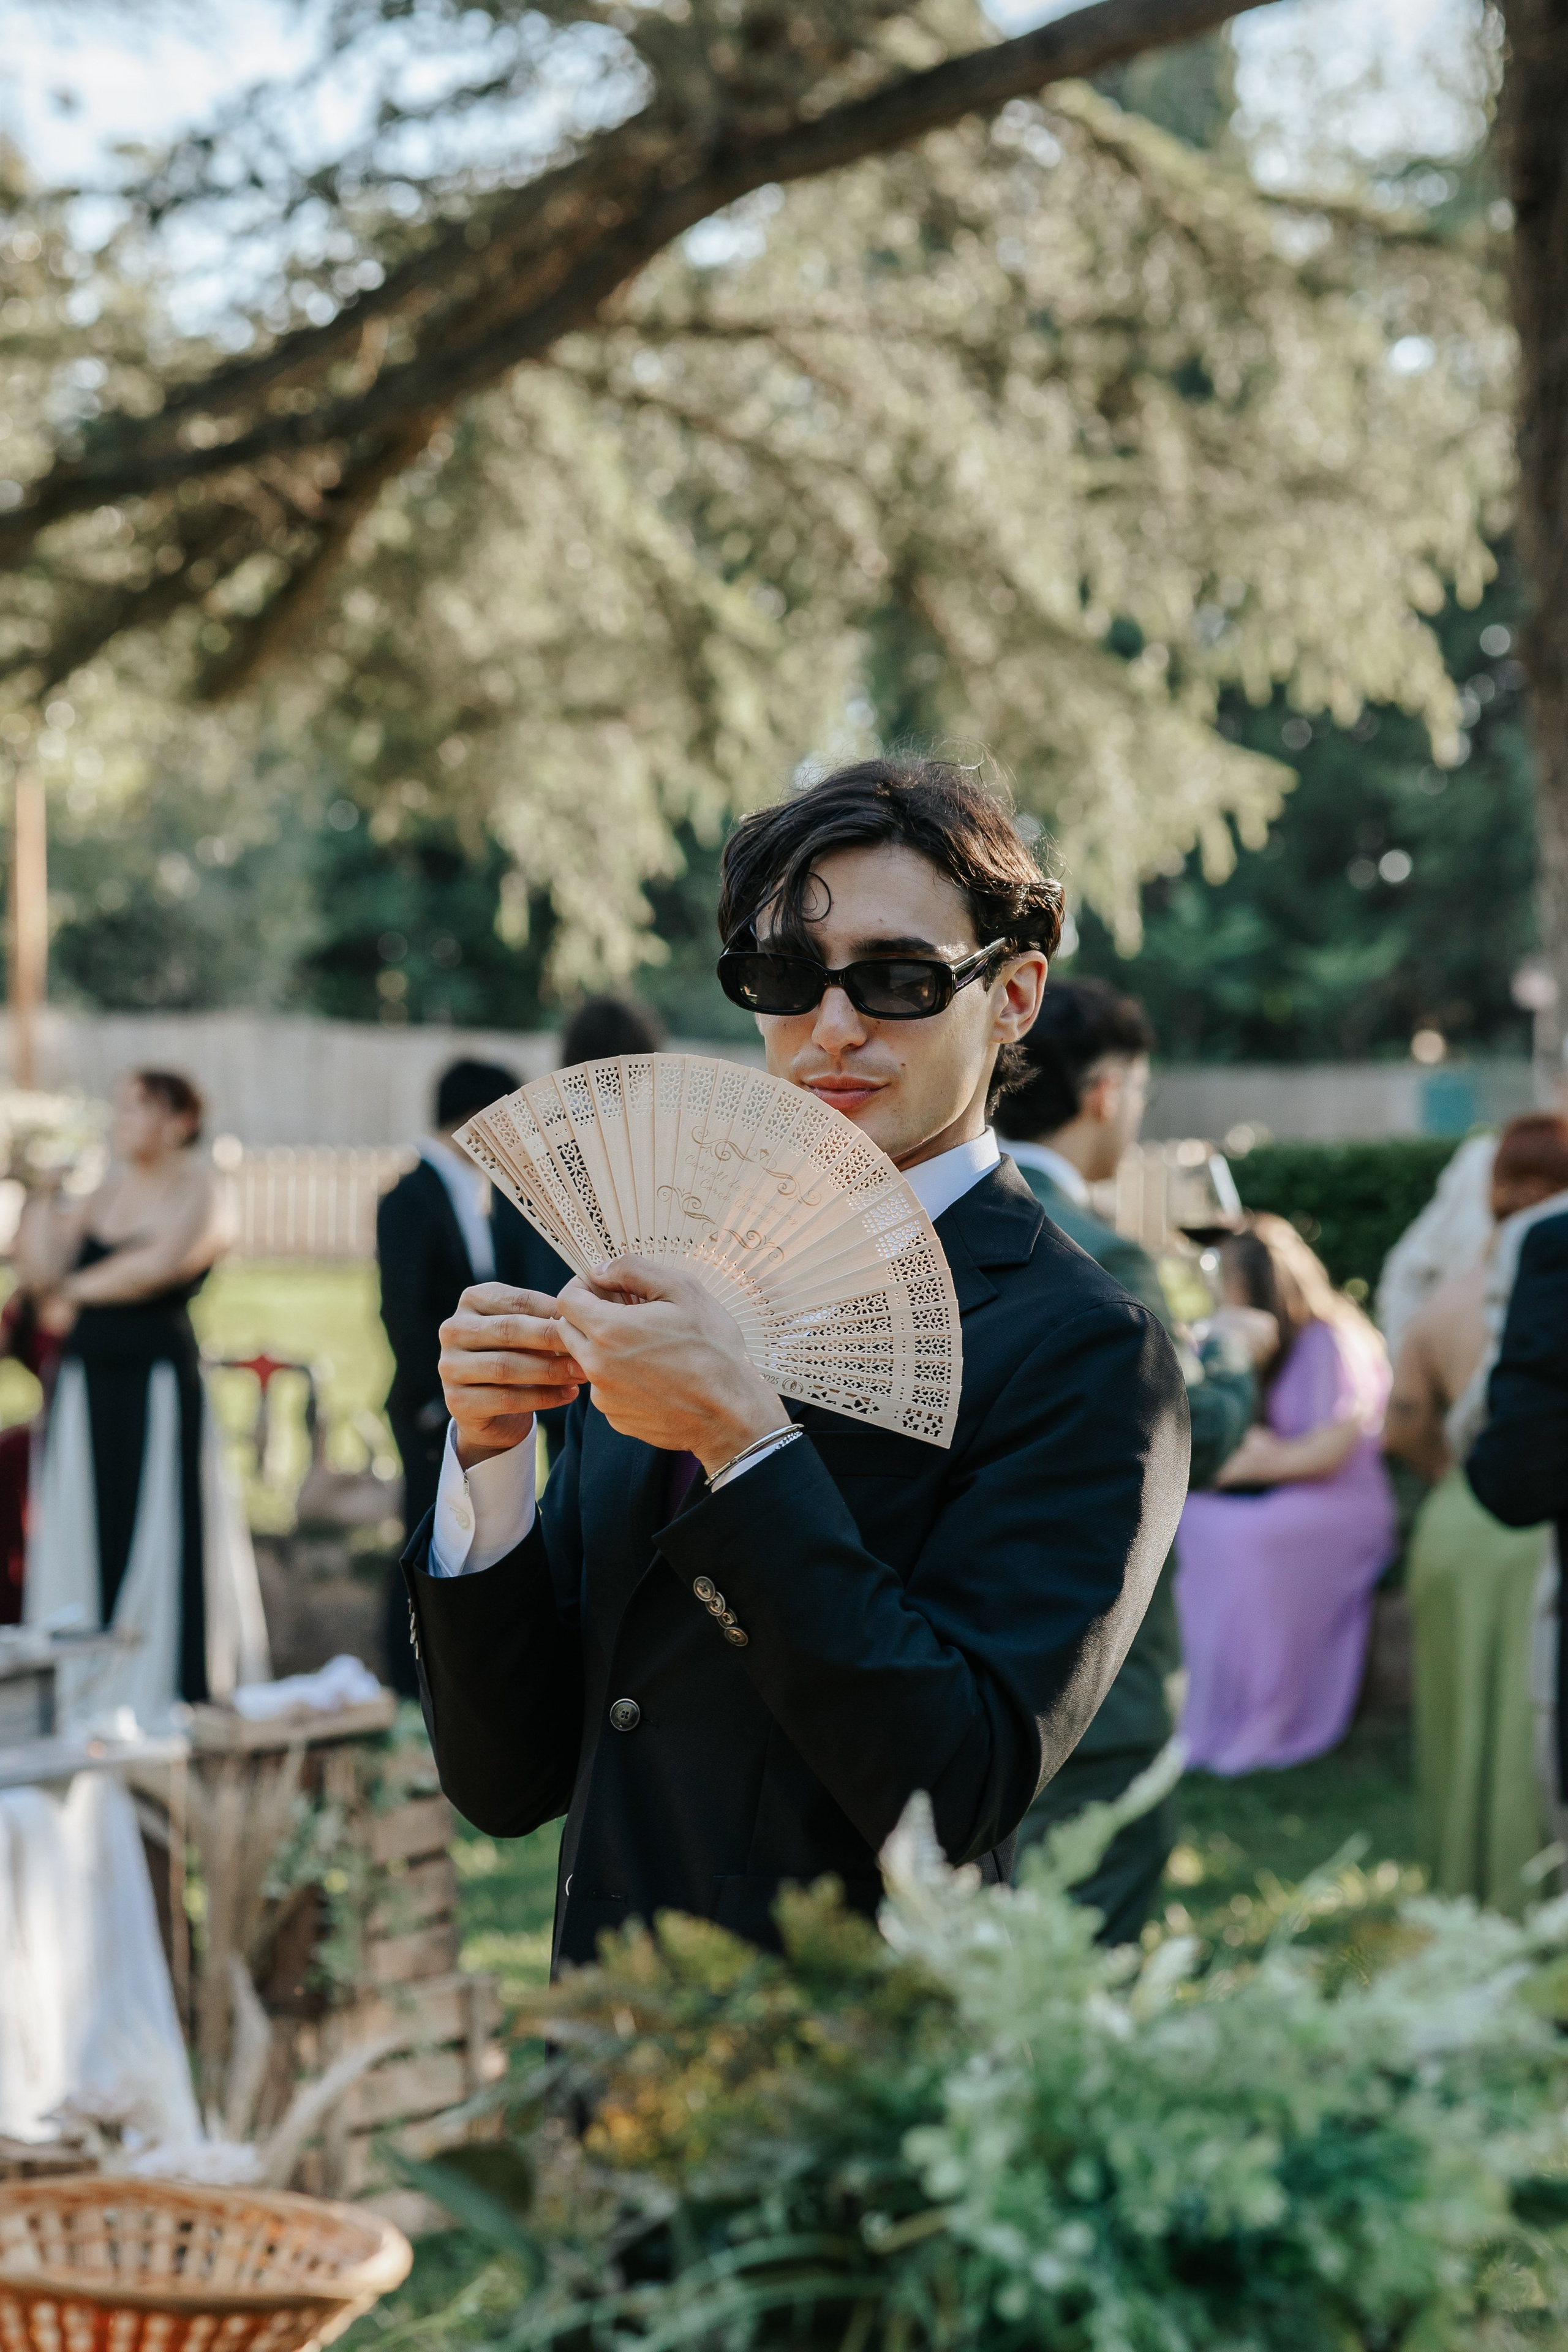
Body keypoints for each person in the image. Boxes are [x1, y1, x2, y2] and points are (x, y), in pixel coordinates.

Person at [409, 756, 1189, 1970]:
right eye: (781, 976)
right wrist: (488, 1465)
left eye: (897, 977)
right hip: (597, 2064)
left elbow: (957, 1787)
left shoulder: (1086, 1346)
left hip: (840, 2091)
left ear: (1014, 995)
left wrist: (744, 1445)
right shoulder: (671, 1279)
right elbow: (506, 1781)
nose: (831, 1030)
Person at [993, 980, 1271, 1940]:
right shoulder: (1100, 1247)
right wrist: (1234, 1351)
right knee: (1084, 1953)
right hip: (1087, 1674)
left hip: (946, 1667)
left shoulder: (925, 1233)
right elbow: (1181, 1437)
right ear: (1106, 1092)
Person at [21, 1070, 270, 1729]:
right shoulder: (97, 1191)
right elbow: (39, 1270)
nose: (124, 1118)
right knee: (82, 1522)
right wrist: (40, 1195)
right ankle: (81, 1686)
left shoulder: (202, 1189)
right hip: (84, 1383)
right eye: (122, 1105)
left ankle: (159, 1681)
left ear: (181, 1120)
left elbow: (160, 1265)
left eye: (142, 1106)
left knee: (161, 1523)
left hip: (157, 1380)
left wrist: (72, 1294)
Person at [1385, 1115, 1568, 1914]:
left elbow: (1403, 1420)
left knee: (1467, 1731)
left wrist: (1446, 1470)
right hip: (1526, 1541)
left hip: (1463, 1520)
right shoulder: (1534, 1271)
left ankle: (1471, 1897)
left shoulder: (1454, 1295)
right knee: (1519, 1723)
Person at [1173, 1214, 1397, 1776]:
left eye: (1227, 1279)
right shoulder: (1266, 1343)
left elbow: (1329, 1450)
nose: (1218, 1292)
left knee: (1241, 1538)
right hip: (1280, 1495)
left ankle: (1266, 1713)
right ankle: (1200, 1708)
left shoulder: (1334, 1339)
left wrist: (1233, 1464)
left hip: (1340, 1506)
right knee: (1192, 1522)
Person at [377, 1057, 572, 1695]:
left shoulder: (467, 1190)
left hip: (471, 1398)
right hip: (432, 1402)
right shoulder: (409, 1195)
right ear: (475, 1121)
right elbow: (403, 1310)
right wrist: (437, 1402)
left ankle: (444, 1679)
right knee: (425, 1532)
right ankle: (410, 1678)